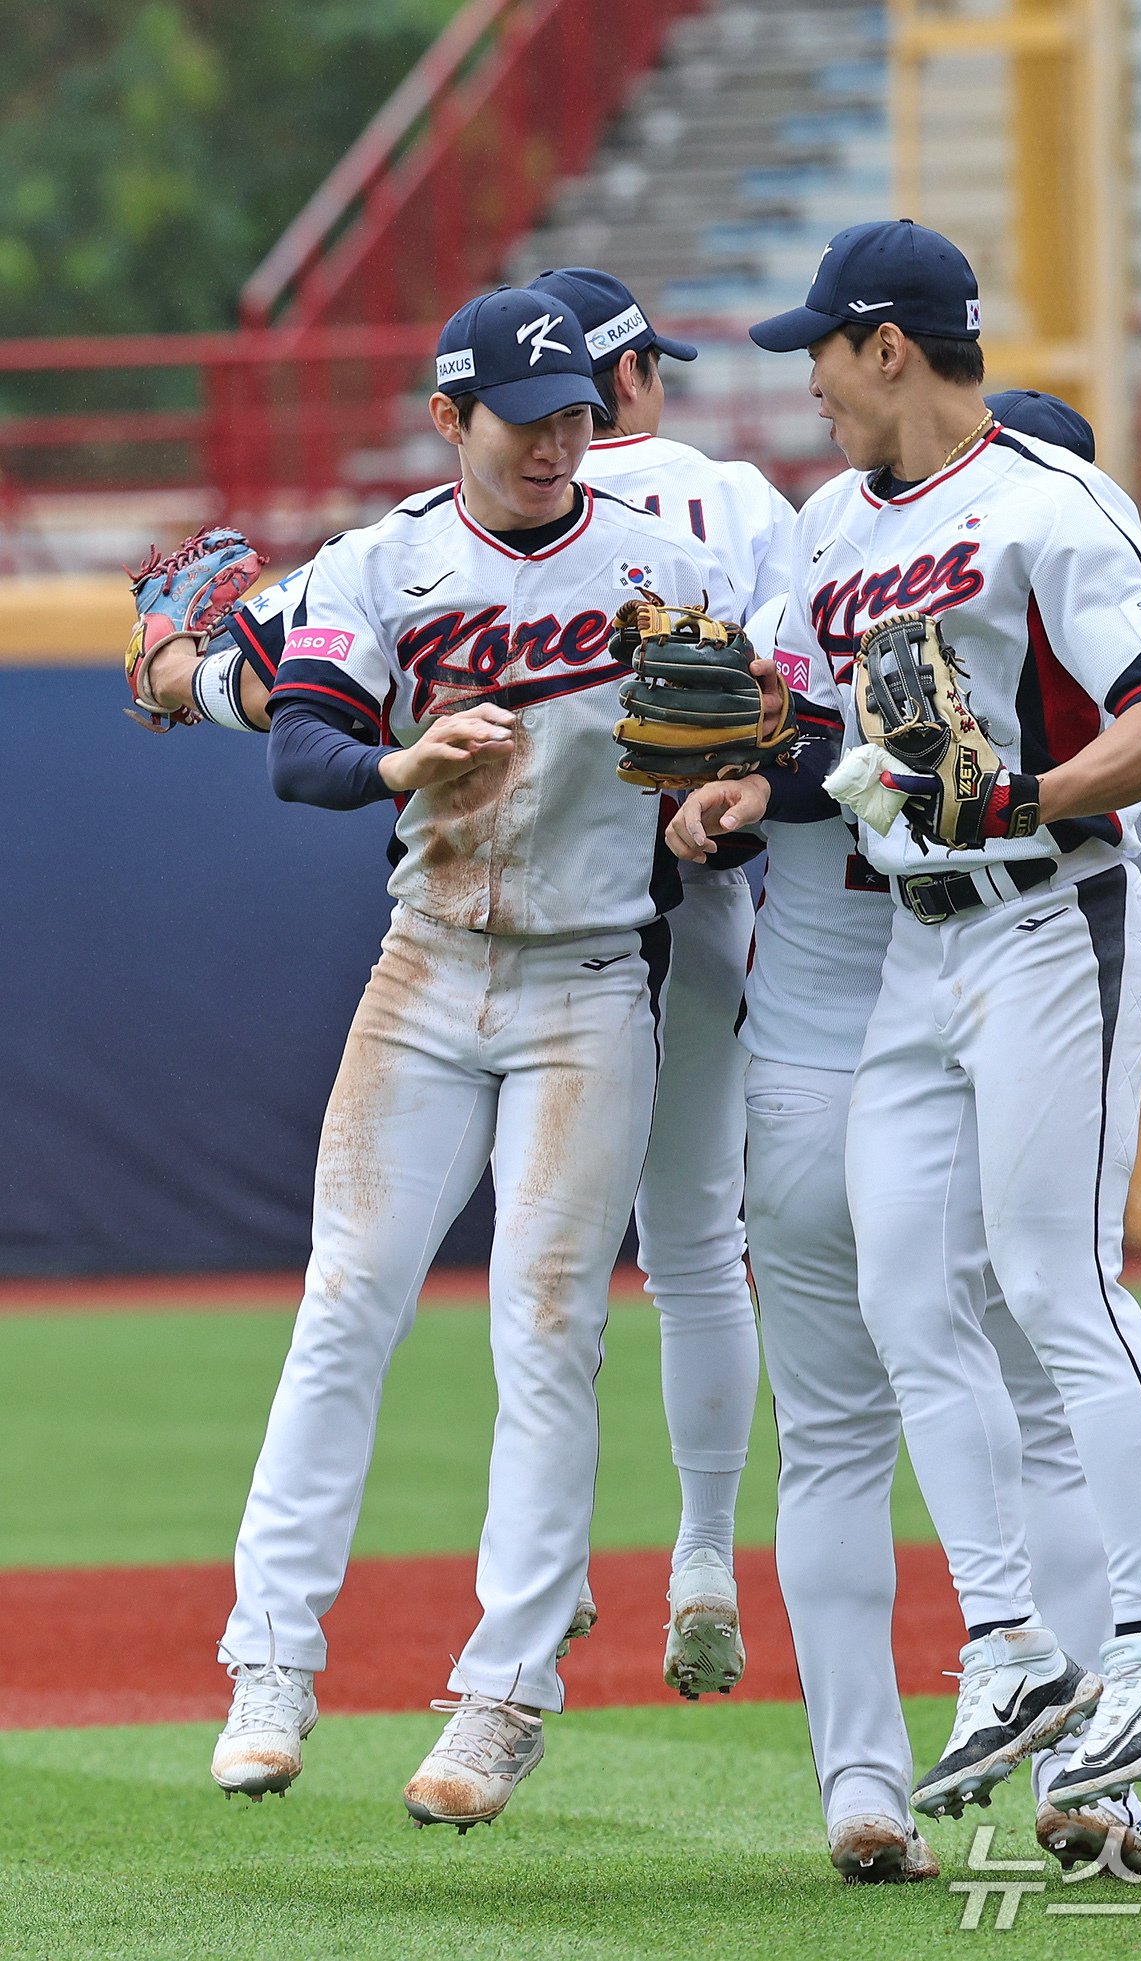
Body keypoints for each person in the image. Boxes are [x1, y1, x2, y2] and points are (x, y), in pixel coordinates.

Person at [127, 265, 799, 1701]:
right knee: (683, 1258)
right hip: (668, 912)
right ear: (635, 378)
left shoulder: (520, 536)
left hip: (607, 940)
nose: (571, 429)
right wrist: (744, 777)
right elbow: (793, 690)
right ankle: (695, 1558)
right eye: (539, 409)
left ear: (593, 398)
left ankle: (533, 1638)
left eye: (577, 403)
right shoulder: (729, 502)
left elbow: (251, 674)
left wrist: (179, 664)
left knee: (548, 1308)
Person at [671, 219, 1141, 1828]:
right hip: (917, 945)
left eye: (821, 354)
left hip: (1054, 916)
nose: (812, 386)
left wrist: (1033, 798)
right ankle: (1012, 1642)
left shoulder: (1048, 503)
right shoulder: (839, 526)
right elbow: (821, 732)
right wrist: (746, 772)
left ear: (889, 346)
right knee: (915, 1285)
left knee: (1057, 1279)